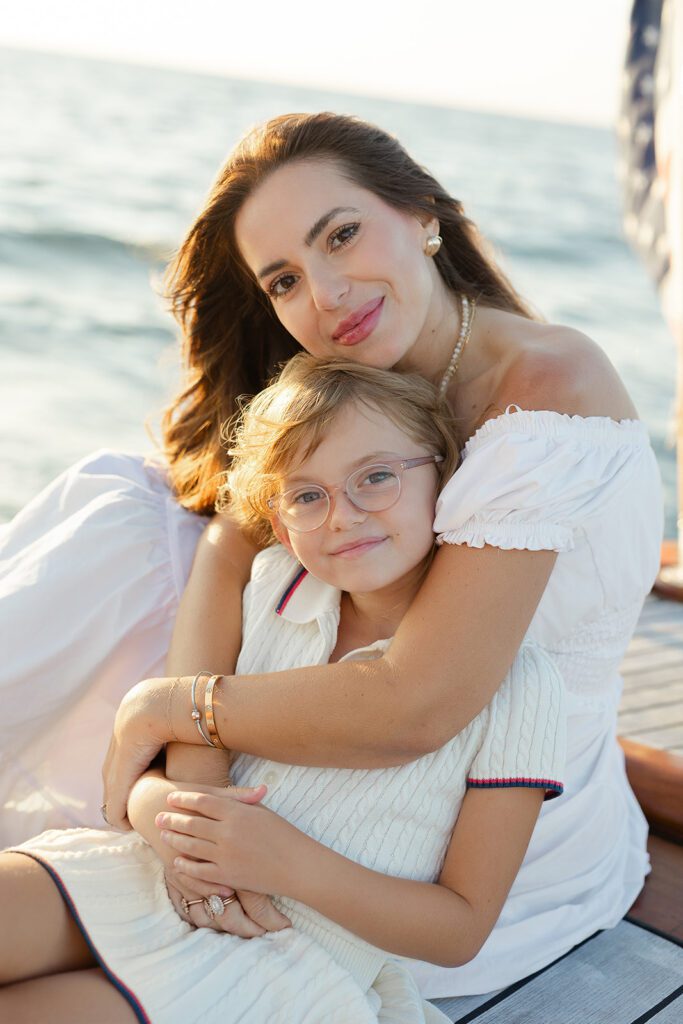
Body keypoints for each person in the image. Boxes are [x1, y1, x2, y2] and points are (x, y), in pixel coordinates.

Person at [0, 112, 662, 999]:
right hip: (277, 792)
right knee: (129, 496)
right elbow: (231, 553)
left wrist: (165, 711)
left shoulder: (546, 387)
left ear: (423, 216)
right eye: (284, 280)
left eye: (341, 235)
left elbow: (414, 706)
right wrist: (198, 800)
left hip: (465, 838)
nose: (326, 295)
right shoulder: (358, 388)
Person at [1, 356, 566, 1023]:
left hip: (281, 957)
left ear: (442, 476)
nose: (342, 516)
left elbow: (459, 931)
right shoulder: (273, 586)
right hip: (151, 873)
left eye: (376, 478)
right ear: (275, 514)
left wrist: (281, 861)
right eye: (306, 495)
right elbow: (138, 783)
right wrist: (175, 828)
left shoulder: (518, 683)